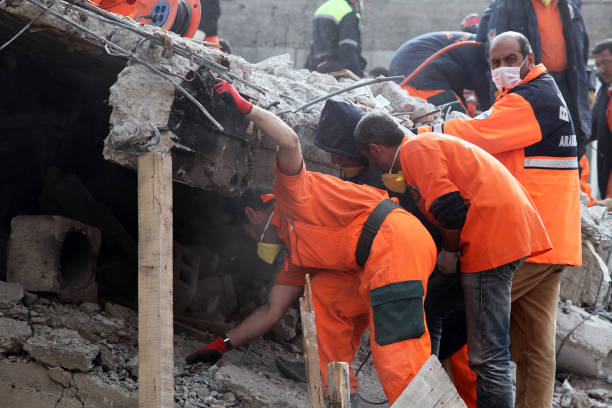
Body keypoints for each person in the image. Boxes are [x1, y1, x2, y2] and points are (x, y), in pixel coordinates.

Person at [188, 79, 437, 404]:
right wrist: (221, 344)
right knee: (324, 295)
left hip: (396, 241)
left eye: (248, 235)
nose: (253, 244)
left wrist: (247, 108)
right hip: (375, 256)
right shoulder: (296, 257)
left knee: (395, 346)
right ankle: (339, 393)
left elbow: (290, 142)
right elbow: (270, 311)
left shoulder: (290, 195)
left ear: (253, 214)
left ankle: (419, 403)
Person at [415, 31, 582, 408]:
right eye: (494, 62)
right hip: (552, 239)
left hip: (531, 241)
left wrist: (427, 132)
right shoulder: (533, 96)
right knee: (536, 348)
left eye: (509, 60)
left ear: (529, 58)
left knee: (458, 314)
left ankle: (442, 398)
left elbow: (480, 133)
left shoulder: (532, 98)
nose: (502, 68)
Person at [354, 113, 552, 408]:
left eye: (371, 159)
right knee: (430, 306)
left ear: (375, 148)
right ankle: (425, 395)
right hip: (496, 233)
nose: (375, 167)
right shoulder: (425, 147)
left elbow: (450, 210)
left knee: (487, 355)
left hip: (492, 240)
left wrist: (449, 253)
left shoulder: (415, 150)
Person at [315, 99, 477, 407]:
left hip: (442, 266)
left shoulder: (391, 172)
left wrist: (448, 256)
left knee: (456, 358)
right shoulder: (362, 175)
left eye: (339, 151)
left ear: (370, 149)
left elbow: (440, 218)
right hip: (425, 269)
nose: (333, 159)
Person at [477, 0, 591, 158]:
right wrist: (499, 89)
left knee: (571, 146)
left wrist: (587, 89)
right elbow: (493, 51)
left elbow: (581, 50)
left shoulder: (569, 6)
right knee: (529, 147)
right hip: (529, 89)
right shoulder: (508, 5)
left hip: (567, 87)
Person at [388, 32, 491, 115]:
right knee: (460, 122)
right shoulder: (480, 50)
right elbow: (483, 88)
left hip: (409, 70)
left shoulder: (474, 46)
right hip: (421, 73)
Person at [305, 0, 367, 78]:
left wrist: (308, 67)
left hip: (317, 67)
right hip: (337, 71)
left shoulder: (323, 8)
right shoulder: (348, 12)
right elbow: (348, 47)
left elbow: (314, 43)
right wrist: (356, 75)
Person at [593, 39, 612, 198]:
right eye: (598, 65)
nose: (601, 70)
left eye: (605, 63)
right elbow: (592, 127)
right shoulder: (603, 91)